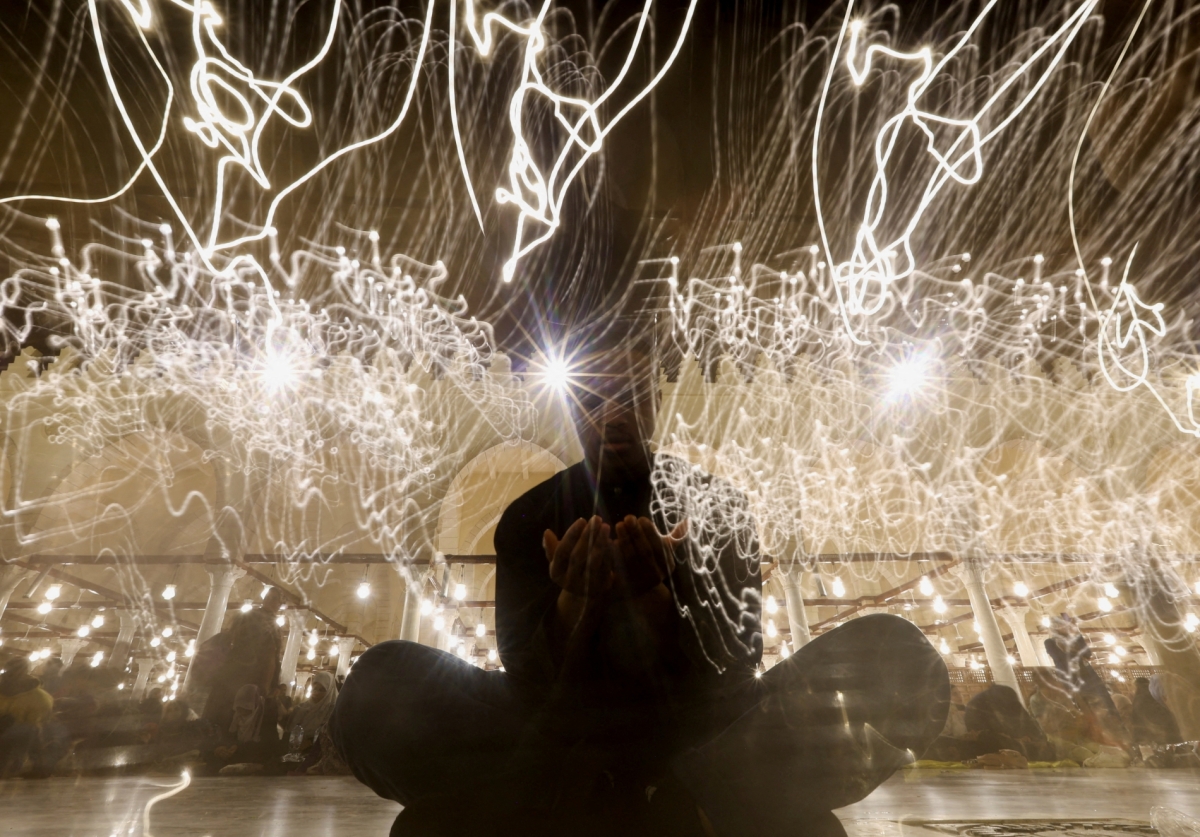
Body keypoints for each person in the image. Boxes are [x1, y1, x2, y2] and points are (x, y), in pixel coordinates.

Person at [333, 331, 949, 837]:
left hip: (700, 729)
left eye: (631, 393)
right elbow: (528, 677)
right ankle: (684, 800)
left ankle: (569, 800)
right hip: (562, 730)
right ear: (571, 406)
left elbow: (736, 664)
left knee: (899, 656)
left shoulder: (718, 507)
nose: (614, 410)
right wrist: (575, 601)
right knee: (374, 686)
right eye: (594, 396)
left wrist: (657, 599)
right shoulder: (530, 516)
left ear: (655, 400)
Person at [202, 586, 284, 749]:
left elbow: (272, 657)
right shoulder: (260, 621)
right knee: (233, 717)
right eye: (268, 596)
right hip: (239, 677)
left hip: (240, 678)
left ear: (280, 604)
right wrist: (267, 687)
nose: (270, 600)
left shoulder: (266, 623)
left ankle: (218, 750)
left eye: (274, 598)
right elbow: (270, 658)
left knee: (229, 717)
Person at [0, 657, 57, 777]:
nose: (12, 675)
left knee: (28, 730)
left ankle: (18, 765)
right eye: (10, 671)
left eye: (16, 671)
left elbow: (36, 725)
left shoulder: (39, 698)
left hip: (18, 733)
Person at [287, 671, 338, 764]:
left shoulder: (333, 711)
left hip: (320, 757)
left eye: (322, 690)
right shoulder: (302, 708)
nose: (316, 693)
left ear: (330, 690)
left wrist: (309, 743)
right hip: (296, 754)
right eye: (315, 689)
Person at [1131, 676, 1183, 746]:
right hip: (1162, 741)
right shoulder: (1148, 699)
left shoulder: (1141, 698)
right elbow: (1161, 722)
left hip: (1153, 741)